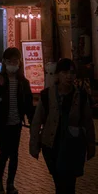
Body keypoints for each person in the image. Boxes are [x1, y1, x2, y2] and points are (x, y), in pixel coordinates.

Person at [30, 58, 95, 194]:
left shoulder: (80, 96)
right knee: (59, 182)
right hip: (52, 144)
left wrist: (90, 145)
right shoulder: (47, 94)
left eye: (72, 73)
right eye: (65, 72)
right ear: (58, 74)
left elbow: (87, 121)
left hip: (73, 144)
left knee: (70, 183)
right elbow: (37, 121)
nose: (69, 76)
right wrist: (34, 145)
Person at [0, 47, 34, 194]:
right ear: (4, 62)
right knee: (5, 152)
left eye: (16, 61)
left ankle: (10, 183)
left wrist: (32, 122)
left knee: (14, 154)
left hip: (16, 123)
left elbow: (28, 104)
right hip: (2, 123)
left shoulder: (23, 82)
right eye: (10, 61)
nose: (13, 63)